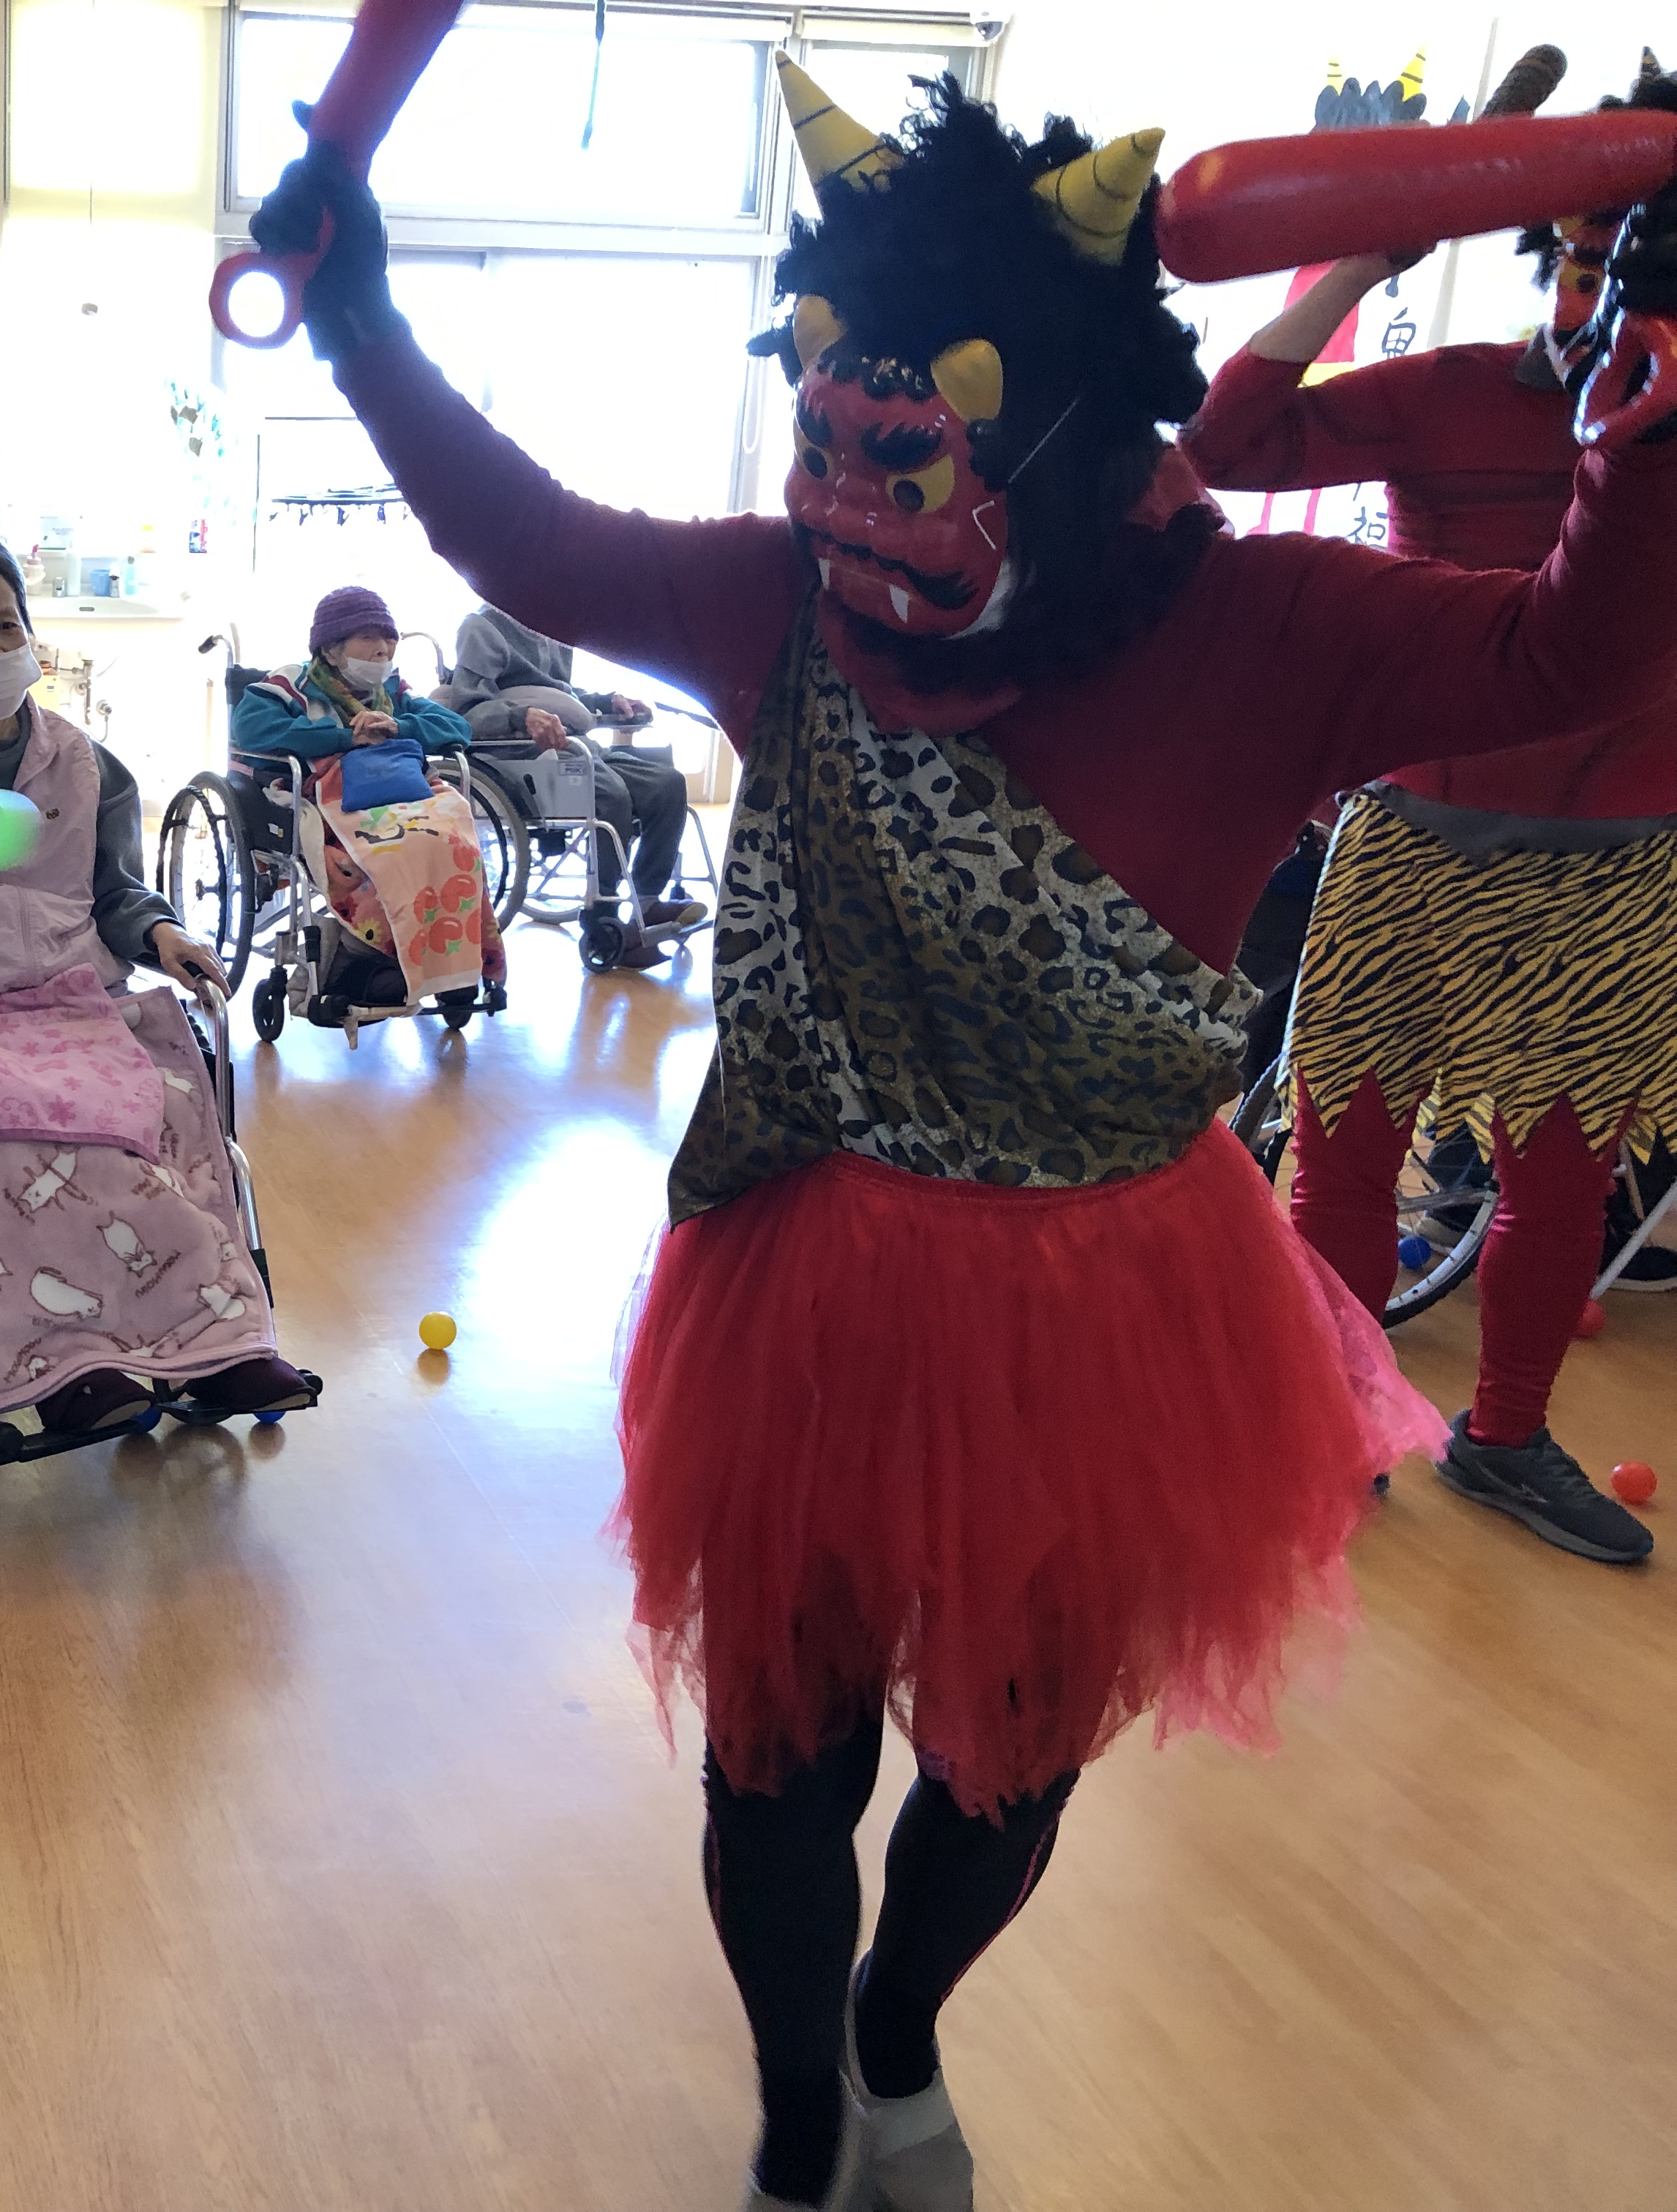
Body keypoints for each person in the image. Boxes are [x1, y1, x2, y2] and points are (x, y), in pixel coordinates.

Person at [252, 60, 1677, 2212]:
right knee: (777, 1764)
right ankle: (799, 2117)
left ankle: (897, 2035)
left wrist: (1650, 411)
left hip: (1115, 1310)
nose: (859, 496)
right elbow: (522, 541)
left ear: (1074, 424)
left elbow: (1571, 650)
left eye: (917, 444)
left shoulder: (1257, 621)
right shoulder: (780, 600)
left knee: (1010, 1777)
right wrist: (357, 313)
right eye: (829, 430)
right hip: (808, 1286)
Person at [1182, 54, 1677, 1568]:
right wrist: (1360, 260)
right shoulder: (1454, 389)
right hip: (1412, 837)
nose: (1593, 293)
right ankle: (1337, 1417)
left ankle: (1503, 1437)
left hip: (1618, 860)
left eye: (1625, 265)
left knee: (1563, 1172)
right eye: (1578, 256)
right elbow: (1223, 447)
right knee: (1342, 1150)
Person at [0, 531, 318, 1435]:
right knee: (12, 1130)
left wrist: (160, 932)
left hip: (72, 1000)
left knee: (167, 1103)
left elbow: (113, 890)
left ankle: (215, 1339)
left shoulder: (83, 763)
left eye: (7, 626)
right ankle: (65, 1360)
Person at [228, 586, 507, 1007]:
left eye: (390, 639)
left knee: (455, 844)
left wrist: (399, 728)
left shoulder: (394, 690)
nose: (383, 649)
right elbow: (251, 730)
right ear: (331, 648)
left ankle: (451, 964)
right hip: (327, 794)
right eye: (368, 638)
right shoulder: (288, 684)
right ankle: (362, 957)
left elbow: (457, 728)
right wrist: (345, 737)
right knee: (392, 850)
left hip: (404, 790)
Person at [438, 603, 705, 967]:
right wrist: (521, 716)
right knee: (610, 794)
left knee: (667, 785)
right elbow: (467, 711)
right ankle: (604, 916)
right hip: (522, 754)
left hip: (576, 746)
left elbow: (558, 692)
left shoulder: (550, 625)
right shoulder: (481, 629)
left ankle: (647, 903)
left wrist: (606, 702)